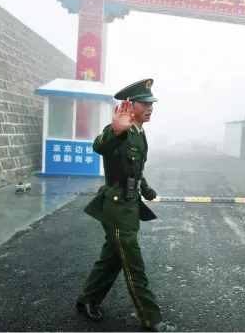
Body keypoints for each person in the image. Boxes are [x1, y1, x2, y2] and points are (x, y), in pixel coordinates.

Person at [76, 78, 176, 332]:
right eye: (145, 103)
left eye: (151, 103)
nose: (150, 108)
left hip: (130, 206)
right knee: (134, 265)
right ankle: (152, 320)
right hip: (117, 208)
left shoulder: (141, 134)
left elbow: (135, 170)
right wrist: (116, 130)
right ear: (130, 106)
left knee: (111, 258)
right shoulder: (120, 132)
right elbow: (100, 145)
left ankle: (87, 299)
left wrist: (146, 189)